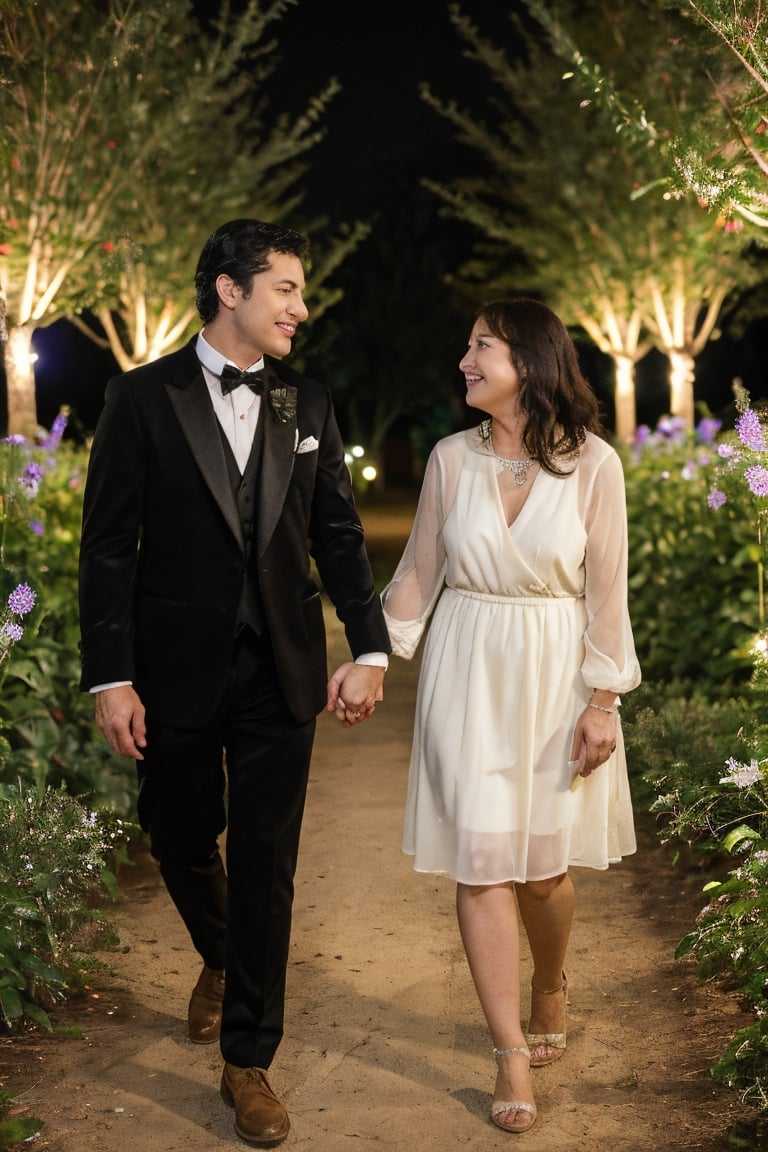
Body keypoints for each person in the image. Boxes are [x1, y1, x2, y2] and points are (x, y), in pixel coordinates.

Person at [78, 219, 389, 1148]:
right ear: (230, 291)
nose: (302, 306)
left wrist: (368, 649)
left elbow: (336, 532)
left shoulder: (309, 400)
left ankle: (248, 1062)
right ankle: (219, 953)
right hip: (169, 672)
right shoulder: (139, 399)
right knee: (176, 834)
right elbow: (106, 551)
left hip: (280, 670)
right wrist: (112, 677)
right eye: (286, 289)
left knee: (268, 867)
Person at [381, 298, 640, 1135]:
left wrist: (604, 700)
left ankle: (551, 980)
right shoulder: (450, 461)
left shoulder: (594, 465)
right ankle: (509, 1053)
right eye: (466, 345)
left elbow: (607, 595)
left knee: (543, 875)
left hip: (555, 673)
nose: (464, 358)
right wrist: (369, 659)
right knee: (483, 863)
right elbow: (417, 578)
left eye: (480, 345)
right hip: (467, 667)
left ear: (528, 361)